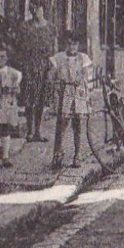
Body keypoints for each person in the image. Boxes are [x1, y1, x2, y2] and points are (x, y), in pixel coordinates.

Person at [14, 0, 57, 142]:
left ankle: (38, 131)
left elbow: (54, 51)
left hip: (44, 67)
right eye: (32, 9)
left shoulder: (51, 28)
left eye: (37, 8)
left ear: (43, 9)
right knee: (29, 100)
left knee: (41, 100)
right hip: (29, 66)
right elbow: (19, 47)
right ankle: (30, 132)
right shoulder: (25, 27)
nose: (35, 12)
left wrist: (51, 69)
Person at [50, 32, 94, 169]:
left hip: (78, 93)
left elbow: (84, 73)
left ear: (78, 45)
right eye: (69, 44)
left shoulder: (83, 58)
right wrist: (56, 82)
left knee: (78, 125)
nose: (72, 47)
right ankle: (58, 154)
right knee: (61, 124)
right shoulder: (59, 58)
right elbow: (51, 74)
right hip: (64, 93)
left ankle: (77, 155)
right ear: (65, 45)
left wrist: (80, 79)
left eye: (74, 44)